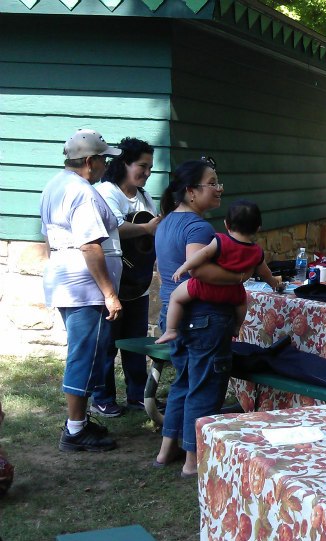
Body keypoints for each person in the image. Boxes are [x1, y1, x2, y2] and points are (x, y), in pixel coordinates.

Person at [154, 157, 250, 477]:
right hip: (203, 317)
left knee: (183, 382)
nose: (219, 188)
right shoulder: (197, 226)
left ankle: (166, 450)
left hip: (173, 312)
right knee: (205, 388)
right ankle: (194, 462)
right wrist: (238, 276)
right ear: (191, 192)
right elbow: (198, 270)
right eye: (212, 182)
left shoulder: (167, 222)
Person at [40, 129, 123, 452]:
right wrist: (109, 293)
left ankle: (82, 420)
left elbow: (48, 235)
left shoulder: (54, 184)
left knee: (85, 350)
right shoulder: (82, 191)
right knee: (85, 354)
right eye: (103, 159)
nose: (105, 165)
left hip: (64, 277)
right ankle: (75, 429)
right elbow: (90, 245)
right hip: (83, 285)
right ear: (90, 161)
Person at [90, 138, 161, 417]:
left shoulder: (144, 196)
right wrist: (147, 229)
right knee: (107, 342)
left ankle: (137, 395)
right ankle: (102, 396)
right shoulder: (106, 192)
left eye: (150, 167)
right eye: (142, 166)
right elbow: (115, 227)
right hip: (113, 278)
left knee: (135, 341)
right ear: (124, 163)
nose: (146, 172)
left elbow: (154, 226)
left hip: (138, 280)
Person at [156, 200, 282, 344]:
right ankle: (236, 327)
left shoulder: (221, 241)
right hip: (233, 292)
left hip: (206, 287)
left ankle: (171, 330)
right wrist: (274, 283)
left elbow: (202, 254)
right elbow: (265, 273)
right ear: (258, 228)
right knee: (242, 304)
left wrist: (185, 266)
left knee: (175, 297)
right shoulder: (257, 252)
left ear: (226, 224)